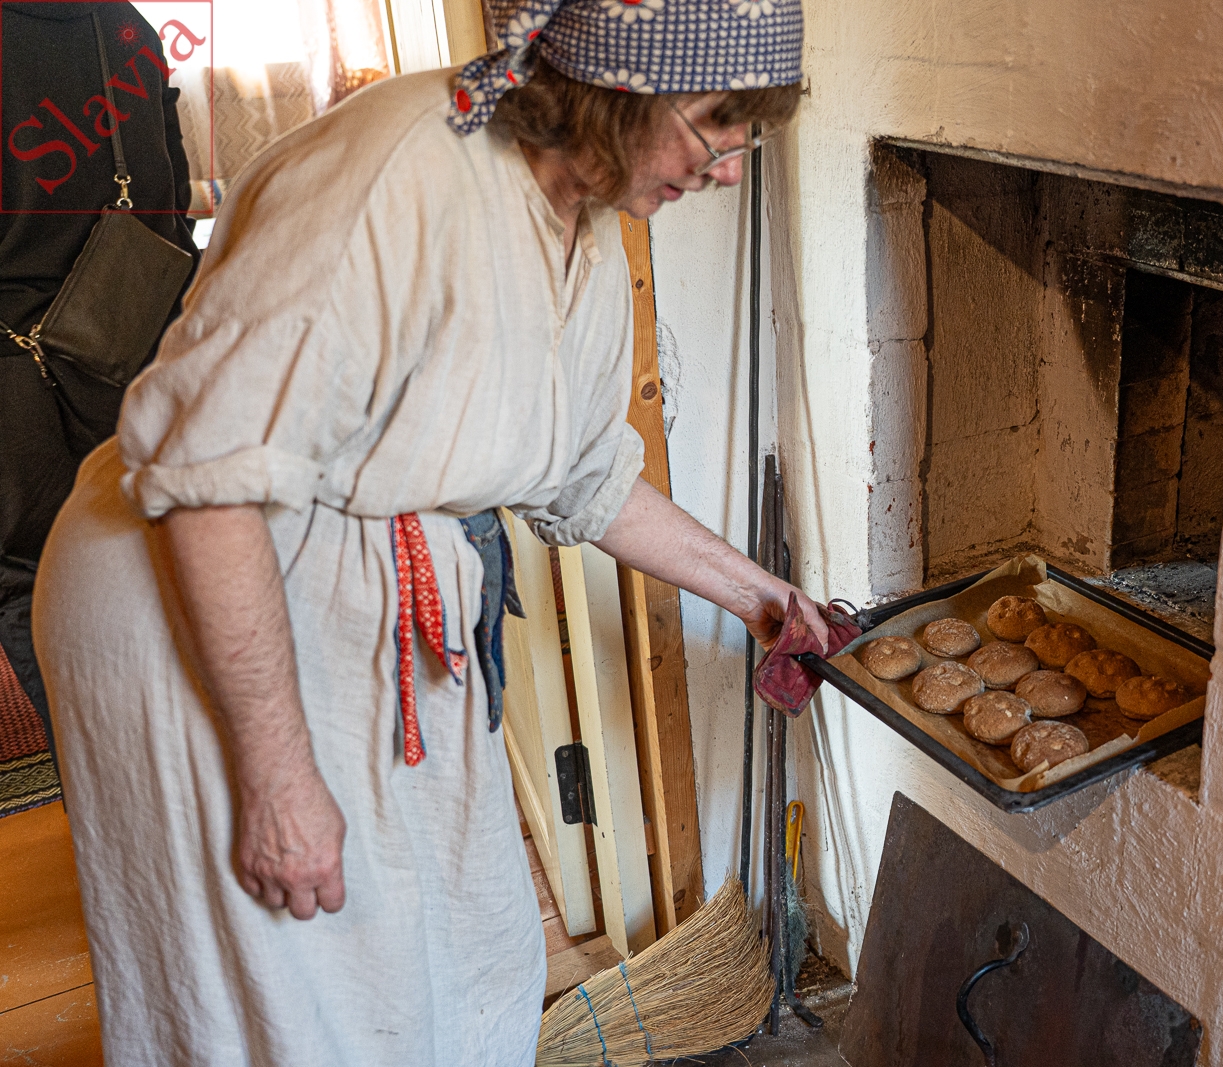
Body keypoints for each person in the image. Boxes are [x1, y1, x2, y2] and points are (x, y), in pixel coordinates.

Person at [32, 1, 822, 1063]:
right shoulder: (397, 174)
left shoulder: (586, 222)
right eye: (717, 122)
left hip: (367, 594)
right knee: (299, 998)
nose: (726, 167)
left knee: (462, 957)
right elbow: (215, 478)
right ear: (618, 82)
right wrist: (278, 779)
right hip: (205, 592)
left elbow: (585, 476)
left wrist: (767, 600)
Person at [0, 1, 196, 759]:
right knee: (163, 565)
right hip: (142, 349)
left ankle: (106, 788)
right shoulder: (125, 24)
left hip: (16, 388)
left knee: (33, 586)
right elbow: (172, 202)